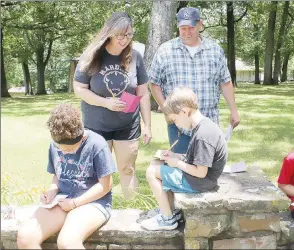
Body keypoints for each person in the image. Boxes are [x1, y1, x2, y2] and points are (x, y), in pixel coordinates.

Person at [73, 12, 151, 199]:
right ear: (110, 32)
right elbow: (79, 89)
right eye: (120, 35)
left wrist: (147, 125)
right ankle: (98, 209)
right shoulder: (92, 55)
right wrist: (105, 102)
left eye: (129, 35)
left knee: (127, 168)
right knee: (98, 172)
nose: (125, 40)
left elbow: (143, 93)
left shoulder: (135, 57)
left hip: (127, 126)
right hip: (97, 126)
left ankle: (131, 206)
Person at [17, 103, 117, 249]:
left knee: (67, 243)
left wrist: (75, 203)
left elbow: (105, 185)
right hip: (63, 200)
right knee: (25, 237)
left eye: (70, 149)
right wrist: (52, 190)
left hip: (94, 202)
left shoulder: (97, 144)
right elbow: (58, 175)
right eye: (60, 149)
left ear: (82, 138)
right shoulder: (55, 144)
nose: (64, 153)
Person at [148, 7, 240, 154]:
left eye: (191, 27)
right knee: (181, 168)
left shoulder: (214, 50)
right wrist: (165, 107)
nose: (187, 32)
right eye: (183, 28)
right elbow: (154, 83)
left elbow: (225, 82)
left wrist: (234, 111)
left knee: (207, 170)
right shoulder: (165, 50)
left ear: (200, 25)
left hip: (208, 122)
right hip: (178, 125)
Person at [140, 87, 228, 231]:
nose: (175, 124)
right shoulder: (201, 126)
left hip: (200, 182)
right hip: (199, 179)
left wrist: (178, 163)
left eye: (175, 119)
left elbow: (201, 172)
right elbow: (197, 158)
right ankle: (170, 211)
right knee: (157, 162)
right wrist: (175, 156)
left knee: (151, 172)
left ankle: (168, 219)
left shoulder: (203, 135)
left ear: (185, 111)